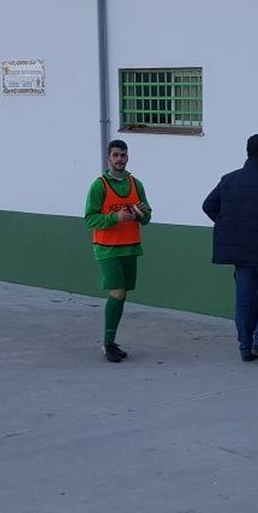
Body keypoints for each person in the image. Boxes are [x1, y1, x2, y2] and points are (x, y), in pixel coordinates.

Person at [202, 134, 258, 362]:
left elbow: (208, 205)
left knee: (244, 299)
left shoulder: (229, 180)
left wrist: (229, 225)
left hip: (240, 254)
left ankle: (245, 348)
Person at [83, 140, 151, 362]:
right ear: (108, 158)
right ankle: (107, 343)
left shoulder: (136, 184)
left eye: (123, 155)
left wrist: (142, 213)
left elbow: (147, 217)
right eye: (115, 155)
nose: (119, 159)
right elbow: (90, 219)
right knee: (117, 292)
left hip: (130, 246)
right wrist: (115, 217)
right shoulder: (99, 186)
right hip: (107, 248)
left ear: (128, 157)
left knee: (123, 294)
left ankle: (111, 340)